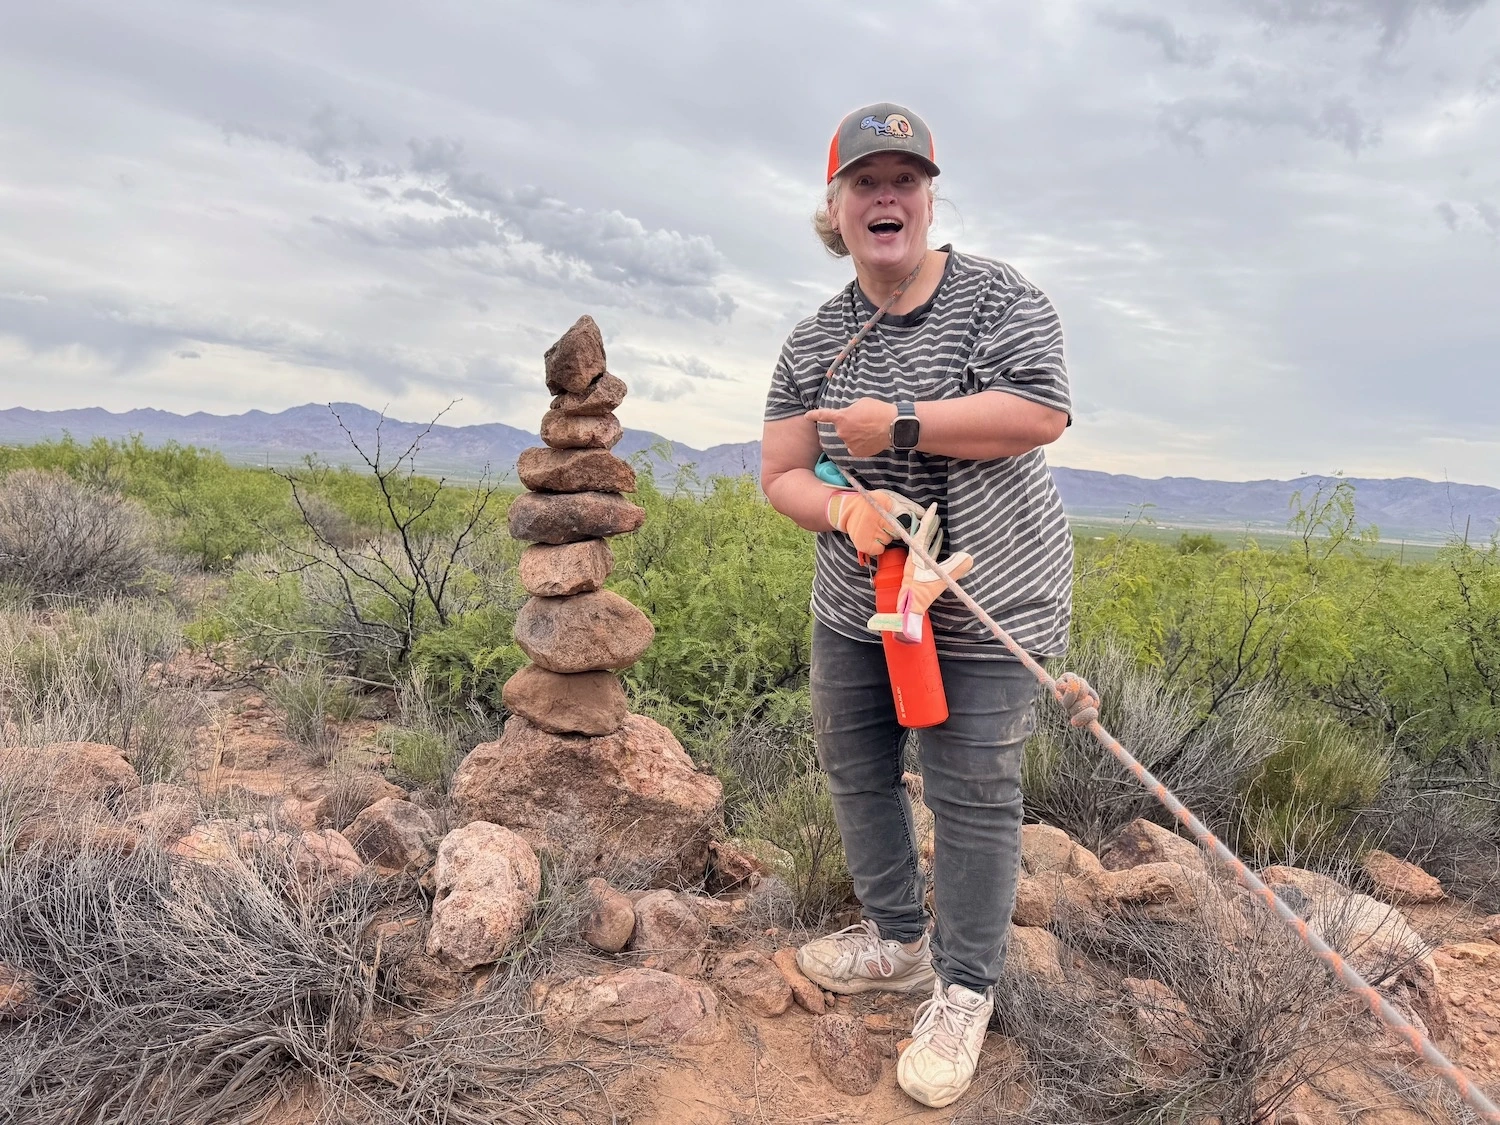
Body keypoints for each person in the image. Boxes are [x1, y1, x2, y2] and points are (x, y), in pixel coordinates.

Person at [759, 102, 1075, 1108]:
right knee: (858, 768)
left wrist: (898, 420)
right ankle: (898, 942)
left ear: (929, 197)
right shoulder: (815, 339)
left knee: (972, 792)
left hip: (988, 600)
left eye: (903, 179)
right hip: (862, 601)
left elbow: (1040, 412)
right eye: (865, 182)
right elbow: (779, 470)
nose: (884, 196)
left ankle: (966, 988)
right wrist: (844, 507)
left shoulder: (998, 300)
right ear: (837, 207)